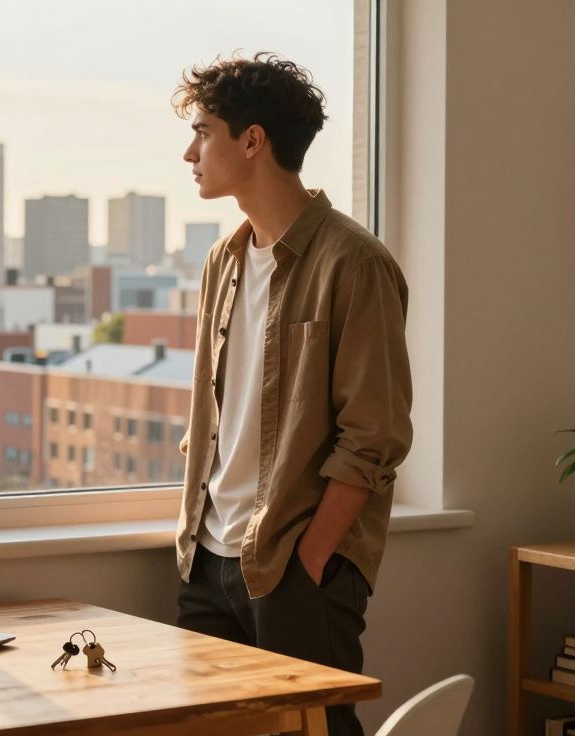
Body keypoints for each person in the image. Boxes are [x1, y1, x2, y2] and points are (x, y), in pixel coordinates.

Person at [172, 52, 412, 736]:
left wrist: (310, 561)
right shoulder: (223, 261)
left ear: (252, 141)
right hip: (207, 561)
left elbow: (375, 437)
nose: (190, 152)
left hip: (294, 569)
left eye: (204, 131)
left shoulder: (354, 264)